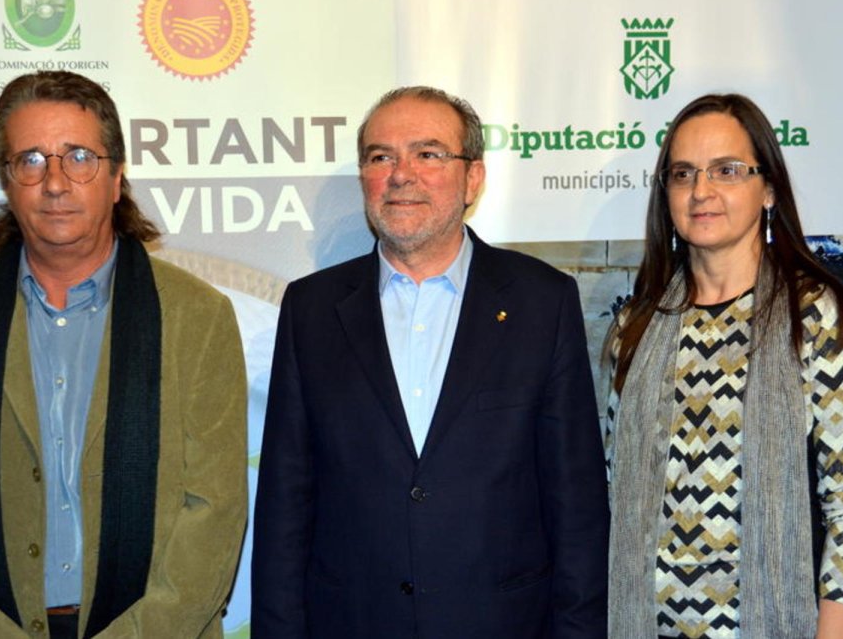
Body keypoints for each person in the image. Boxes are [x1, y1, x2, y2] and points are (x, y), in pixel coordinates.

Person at [0, 70, 248, 638]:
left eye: (79, 156)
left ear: (115, 175)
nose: (55, 182)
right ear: (8, 181)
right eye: (31, 160)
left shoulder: (196, 316)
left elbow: (215, 511)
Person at [252, 86, 609, 638]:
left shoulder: (543, 301)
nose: (401, 174)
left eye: (428, 153)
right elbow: (283, 506)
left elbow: (577, 504)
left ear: (473, 178)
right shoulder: (311, 309)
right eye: (380, 157)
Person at [603, 93, 843, 638]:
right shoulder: (636, 329)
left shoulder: (821, 319)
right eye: (682, 174)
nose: (701, 191)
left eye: (727, 171)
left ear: (769, 190)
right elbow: (616, 492)